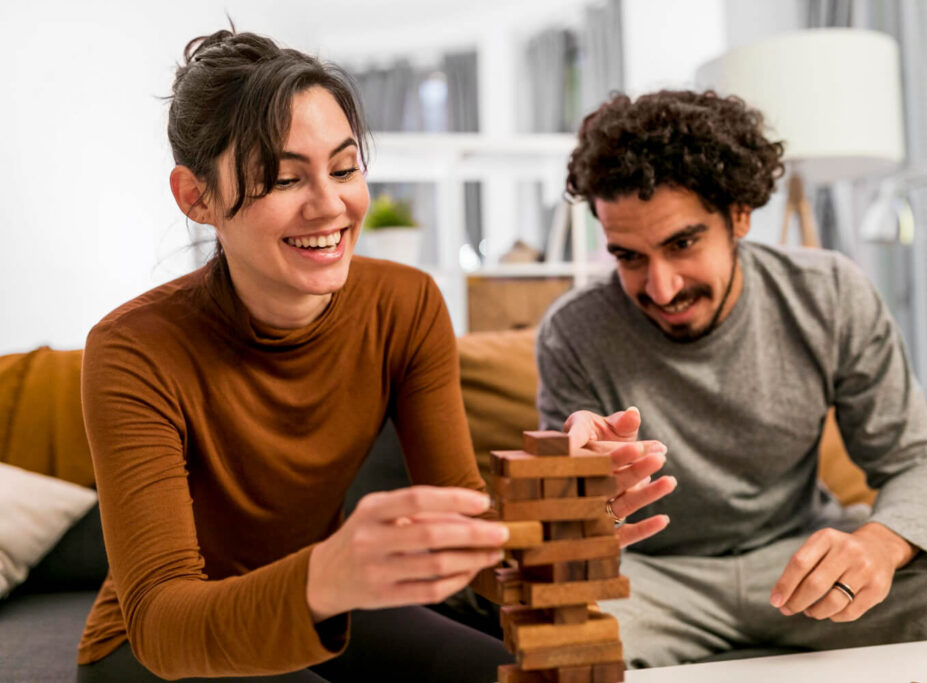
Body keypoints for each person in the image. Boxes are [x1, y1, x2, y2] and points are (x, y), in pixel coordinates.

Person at [76, 30, 673, 682]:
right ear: (197, 197)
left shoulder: (406, 304)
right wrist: (326, 573)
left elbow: (469, 534)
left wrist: (570, 513)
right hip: (162, 648)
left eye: (344, 167)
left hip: (329, 597)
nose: (330, 205)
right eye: (283, 177)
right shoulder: (132, 348)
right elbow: (162, 620)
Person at [536, 89, 927, 669]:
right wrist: (580, 490)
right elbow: (569, 534)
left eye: (682, 244)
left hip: (800, 558)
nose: (660, 288)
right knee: (555, 637)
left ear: (738, 215)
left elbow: (919, 460)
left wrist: (881, 542)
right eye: (629, 257)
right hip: (653, 579)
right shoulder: (573, 333)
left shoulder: (829, 294)